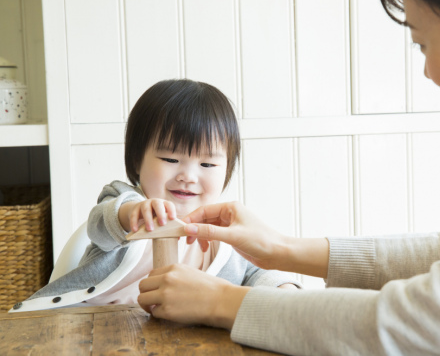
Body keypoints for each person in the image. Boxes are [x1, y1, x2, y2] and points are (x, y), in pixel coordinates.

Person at [136, 0, 440, 355]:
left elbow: (425, 323)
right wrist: (282, 249)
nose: (427, 72)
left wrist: (222, 302)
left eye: (422, 43)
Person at [11, 79, 300, 313]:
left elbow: (257, 270)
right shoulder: (126, 201)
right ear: (137, 160)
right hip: (91, 323)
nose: (188, 175)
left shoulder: (225, 231)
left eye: (207, 164)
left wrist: (282, 290)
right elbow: (99, 226)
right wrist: (130, 215)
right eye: (170, 159)